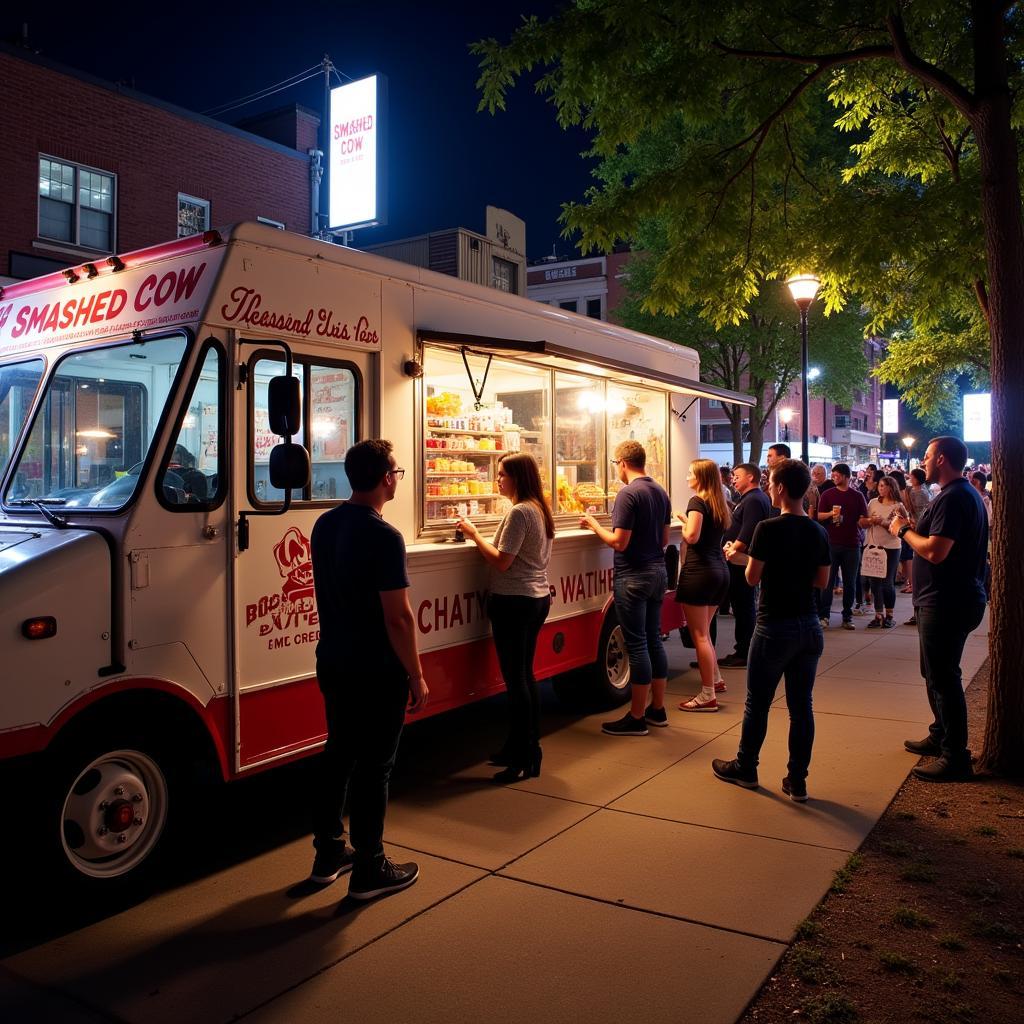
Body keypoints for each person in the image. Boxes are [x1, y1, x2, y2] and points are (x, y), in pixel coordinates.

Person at [308, 439, 428, 898]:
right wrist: (415, 675)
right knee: (375, 766)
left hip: (333, 659)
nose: (397, 478)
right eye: (396, 472)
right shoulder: (384, 536)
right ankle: (370, 868)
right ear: (385, 479)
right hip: (376, 668)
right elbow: (398, 616)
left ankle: (328, 854)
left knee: (337, 753)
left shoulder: (325, 524)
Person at [710, 459, 831, 801]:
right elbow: (821, 582)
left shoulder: (767, 528)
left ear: (779, 488)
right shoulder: (817, 531)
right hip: (808, 626)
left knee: (757, 703)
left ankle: (746, 767)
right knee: (801, 707)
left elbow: (751, 578)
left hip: (774, 624)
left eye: (770, 482)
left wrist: (738, 555)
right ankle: (797, 780)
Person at [889, 437, 988, 782]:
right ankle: (940, 734)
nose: (923, 461)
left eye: (928, 456)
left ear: (942, 459)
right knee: (934, 674)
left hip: (947, 601)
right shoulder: (959, 495)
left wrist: (902, 530)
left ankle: (955, 756)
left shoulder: (955, 497)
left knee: (944, 678)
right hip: (949, 598)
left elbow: (935, 551)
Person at [458, 453, 553, 783]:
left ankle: (525, 756)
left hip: (515, 601)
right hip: (536, 598)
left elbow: (501, 561)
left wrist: (473, 535)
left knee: (517, 681)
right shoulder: (538, 509)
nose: (497, 479)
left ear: (518, 478)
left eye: (502, 475)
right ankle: (521, 746)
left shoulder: (519, 512)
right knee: (525, 676)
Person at [582, 440, 671, 737]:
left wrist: (594, 525)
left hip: (632, 575)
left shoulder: (628, 494)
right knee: (654, 640)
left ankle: (636, 717)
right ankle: (657, 709)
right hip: (658, 572)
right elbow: (664, 540)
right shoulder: (660, 491)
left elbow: (620, 542)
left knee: (637, 645)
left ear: (621, 462)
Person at [676, 459, 731, 712]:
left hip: (699, 573)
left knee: (699, 635)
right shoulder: (719, 503)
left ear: (701, 477)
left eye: (690, 473)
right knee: (705, 633)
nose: (687, 476)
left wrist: (684, 521)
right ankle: (716, 680)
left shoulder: (697, 502)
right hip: (719, 570)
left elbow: (691, 536)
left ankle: (707, 694)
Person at [720, 462, 771, 668]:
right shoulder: (749, 499)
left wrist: (735, 548)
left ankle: (744, 651)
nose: (733, 478)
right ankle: (742, 649)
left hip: (741, 562)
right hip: (737, 560)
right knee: (741, 605)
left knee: (743, 606)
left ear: (751, 477)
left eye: (737, 475)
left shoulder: (754, 499)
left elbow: (749, 529)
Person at [815, 464, 868, 630]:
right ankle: (824, 616)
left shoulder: (857, 496)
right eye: (833, 475)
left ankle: (847, 616)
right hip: (831, 543)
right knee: (828, 582)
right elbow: (819, 515)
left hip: (852, 544)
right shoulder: (827, 494)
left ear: (846, 477)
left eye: (837, 475)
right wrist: (832, 514)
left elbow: (863, 519)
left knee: (850, 582)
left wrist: (866, 522)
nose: (834, 477)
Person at [859, 475, 906, 628]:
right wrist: (869, 521)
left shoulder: (898, 506)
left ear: (891, 488)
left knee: (887, 582)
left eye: (884, 486)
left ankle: (889, 615)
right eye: (879, 485)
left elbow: (902, 528)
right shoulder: (872, 503)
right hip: (873, 546)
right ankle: (878, 614)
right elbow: (862, 522)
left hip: (891, 547)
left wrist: (884, 522)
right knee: (874, 581)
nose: (881, 488)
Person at [901, 468, 932, 607]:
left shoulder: (920, 492)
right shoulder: (917, 491)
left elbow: (920, 512)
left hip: (919, 527)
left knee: (917, 556)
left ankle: (916, 586)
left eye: (912, 477)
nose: (910, 479)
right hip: (917, 524)